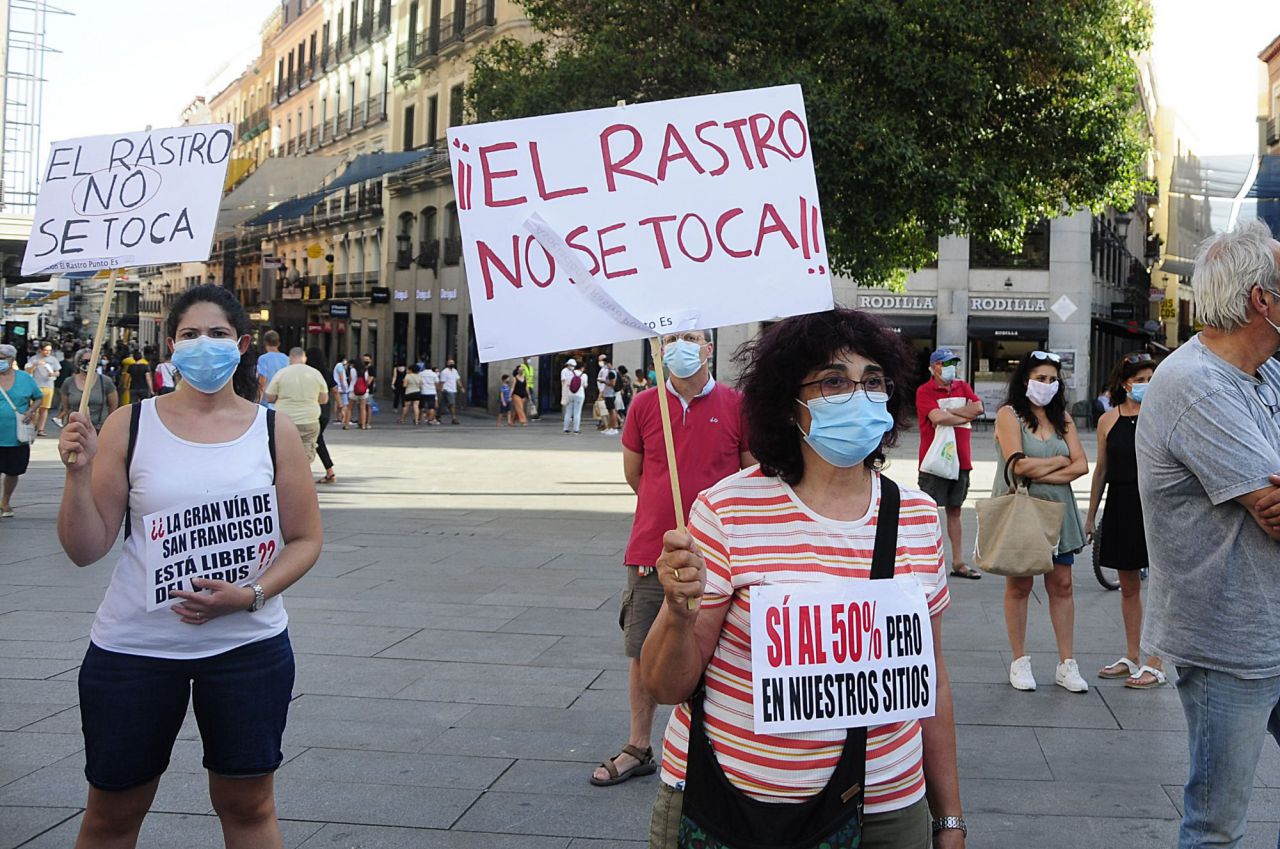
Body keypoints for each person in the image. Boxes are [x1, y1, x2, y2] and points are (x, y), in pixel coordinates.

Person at [641, 310, 965, 849]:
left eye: (872, 381)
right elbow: (667, 685)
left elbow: (932, 680)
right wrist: (678, 612)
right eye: (834, 381)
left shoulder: (917, 515)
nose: (857, 395)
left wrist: (948, 816)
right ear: (788, 401)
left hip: (888, 808)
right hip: (735, 807)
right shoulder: (726, 511)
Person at [55, 284, 323, 848]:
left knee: (249, 806)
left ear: (242, 344)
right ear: (171, 346)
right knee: (112, 810)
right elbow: (85, 547)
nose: (205, 345)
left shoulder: (272, 430)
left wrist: (250, 593)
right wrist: (78, 476)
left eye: (219, 334)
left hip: (247, 649)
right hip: (134, 650)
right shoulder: (130, 424)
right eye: (191, 334)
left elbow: (303, 539)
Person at [1136, 220, 1280, 849]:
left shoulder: (1266, 372)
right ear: (1262, 299)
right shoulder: (1195, 385)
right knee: (1216, 823)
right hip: (1230, 639)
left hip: (1269, 621)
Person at [591, 327, 754, 788]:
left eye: (693, 337)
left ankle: (715, 748)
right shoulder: (644, 405)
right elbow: (635, 474)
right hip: (652, 548)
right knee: (645, 648)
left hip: (722, 551)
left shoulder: (735, 405)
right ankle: (639, 746)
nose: (682, 345)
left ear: (709, 348)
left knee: (721, 649)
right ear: (660, 351)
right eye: (672, 338)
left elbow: (749, 470)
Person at [993, 351, 1090, 693]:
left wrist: (1042, 468)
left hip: (1058, 513)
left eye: (1052, 379)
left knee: (1062, 584)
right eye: (1040, 378)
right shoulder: (1009, 415)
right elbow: (1017, 466)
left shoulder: (1062, 417)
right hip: (1024, 510)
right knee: (1019, 586)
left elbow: (1082, 466)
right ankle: (1019, 660)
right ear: (1025, 380)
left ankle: (1067, 663)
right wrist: (1059, 461)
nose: (1047, 385)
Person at [1086, 352, 1163, 689]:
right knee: (1128, 586)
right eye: (1140, 379)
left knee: (1161, 586)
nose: (1146, 384)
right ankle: (1132, 655)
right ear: (1123, 382)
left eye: (1150, 378)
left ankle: (1155, 661)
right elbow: (1101, 470)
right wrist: (1090, 515)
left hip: (1156, 504)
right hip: (1120, 502)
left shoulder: (1160, 414)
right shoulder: (1108, 420)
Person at [915, 348, 984, 580]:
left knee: (955, 510)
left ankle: (958, 562)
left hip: (961, 460)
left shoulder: (962, 387)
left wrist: (950, 413)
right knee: (928, 512)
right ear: (934, 367)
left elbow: (979, 408)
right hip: (934, 462)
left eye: (953, 363)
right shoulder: (924, 391)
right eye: (946, 364)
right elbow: (937, 418)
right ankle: (926, 562)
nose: (951, 368)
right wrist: (963, 415)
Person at [264, 347, 329, 464]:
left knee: (284, 453)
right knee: (306, 455)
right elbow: (324, 399)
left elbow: (269, 397)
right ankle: (303, 477)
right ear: (304, 358)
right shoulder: (316, 373)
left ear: (290, 357)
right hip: (309, 420)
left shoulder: (281, 373)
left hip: (285, 420)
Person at [0, 343, 42, 518]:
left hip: (16, 435)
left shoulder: (24, 378)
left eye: (3, 358)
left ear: (12, 360)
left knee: (13, 470)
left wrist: (30, 411)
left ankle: (5, 500)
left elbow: (39, 397)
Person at [58, 347, 119, 433]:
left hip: (99, 429)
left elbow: (113, 406)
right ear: (78, 362)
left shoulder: (105, 381)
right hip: (75, 429)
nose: (88, 363)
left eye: (92, 360)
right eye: (85, 360)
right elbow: (66, 408)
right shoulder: (68, 382)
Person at [306, 346, 337, 485]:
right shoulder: (327, 372)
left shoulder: (308, 373)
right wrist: (341, 406)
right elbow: (335, 390)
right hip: (325, 410)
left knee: (314, 440)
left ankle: (328, 471)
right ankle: (329, 472)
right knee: (317, 439)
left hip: (312, 410)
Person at [24, 341, 61, 436]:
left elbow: (57, 372)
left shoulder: (53, 360)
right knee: (34, 408)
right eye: (46, 350)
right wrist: (35, 365)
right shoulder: (34, 359)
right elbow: (27, 371)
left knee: (45, 408)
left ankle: (41, 429)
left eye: (49, 350)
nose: (48, 352)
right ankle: (32, 427)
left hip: (48, 385)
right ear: (40, 350)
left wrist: (52, 374)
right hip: (36, 385)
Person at [255, 330, 288, 405]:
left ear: (265, 343)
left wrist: (258, 401)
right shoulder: (286, 359)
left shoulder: (263, 359)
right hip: (282, 399)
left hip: (267, 400)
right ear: (278, 343)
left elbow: (262, 380)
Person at [561, 358, 585, 434]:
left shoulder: (571, 373)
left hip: (569, 393)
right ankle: (576, 429)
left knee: (568, 412)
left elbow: (565, 382)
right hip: (579, 394)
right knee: (577, 412)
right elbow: (585, 385)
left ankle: (566, 428)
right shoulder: (582, 375)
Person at [597, 355, 620, 434]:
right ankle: (610, 427)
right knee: (610, 411)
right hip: (608, 394)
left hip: (610, 394)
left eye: (606, 364)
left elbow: (612, 384)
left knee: (612, 411)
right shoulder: (612, 372)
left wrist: (603, 381)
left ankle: (613, 428)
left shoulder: (611, 373)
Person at [354, 353, 375, 429]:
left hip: (368, 390)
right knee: (360, 406)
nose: (365, 361)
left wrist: (364, 385)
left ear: (370, 360)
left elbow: (370, 379)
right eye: (364, 360)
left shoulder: (371, 368)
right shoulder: (361, 368)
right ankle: (361, 421)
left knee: (368, 406)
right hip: (361, 390)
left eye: (367, 360)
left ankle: (367, 422)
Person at [332, 355, 352, 430]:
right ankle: (344, 418)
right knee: (345, 404)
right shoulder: (340, 366)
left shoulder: (337, 366)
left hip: (337, 387)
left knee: (337, 402)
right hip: (341, 387)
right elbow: (341, 377)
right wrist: (343, 386)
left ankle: (338, 417)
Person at [440, 359, 462, 424]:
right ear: (447, 364)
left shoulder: (455, 371)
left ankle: (437, 416)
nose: (452, 364)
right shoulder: (444, 372)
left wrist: (461, 387)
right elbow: (442, 382)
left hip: (453, 390)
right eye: (450, 363)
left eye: (453, 362)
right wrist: (441, 389)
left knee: (443, 404)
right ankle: (454, 418)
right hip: (447, 390)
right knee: (452, 404)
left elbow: (458, 380)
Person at [511, 361, 529, 426]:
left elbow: (526, 387)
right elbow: (512, 387)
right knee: (520, 408)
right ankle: (523, 421)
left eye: (522, 370)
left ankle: (512, 420)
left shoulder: (525, 378)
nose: (521, 371)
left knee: (518, 409)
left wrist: (529, 395)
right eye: (520, 370)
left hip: (523, 395)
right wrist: (510, 395)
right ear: (517, 371)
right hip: (516, 395)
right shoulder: (515, 378)